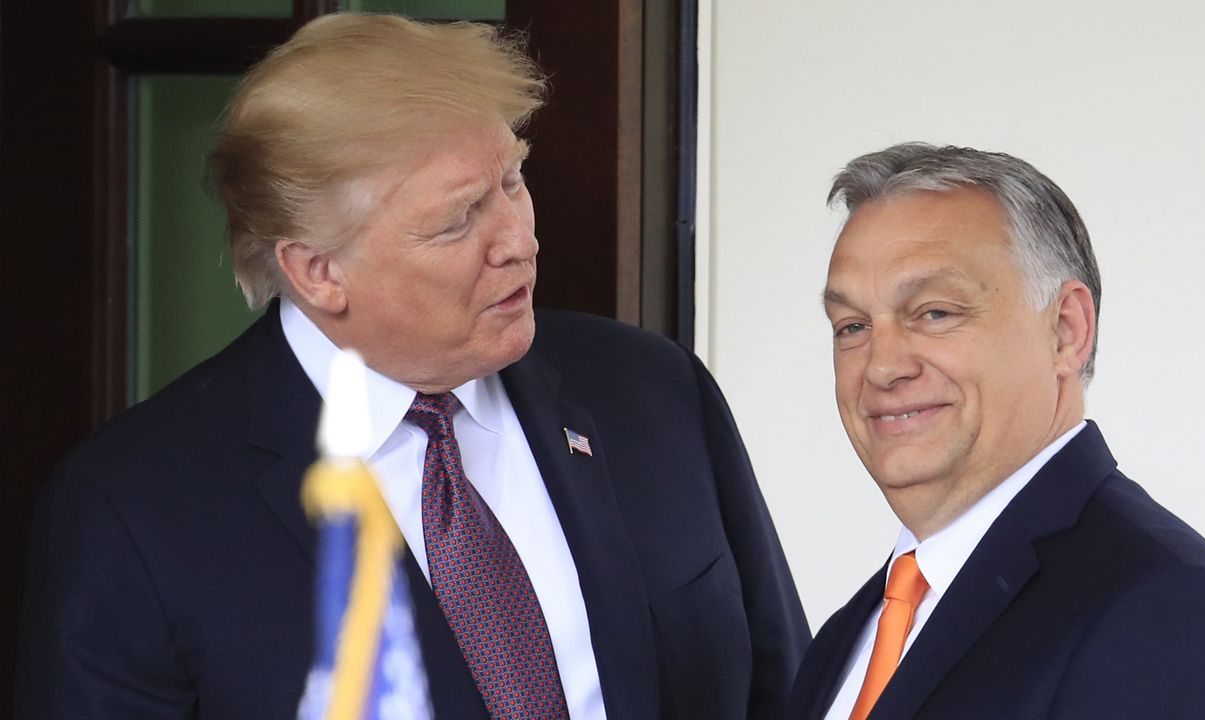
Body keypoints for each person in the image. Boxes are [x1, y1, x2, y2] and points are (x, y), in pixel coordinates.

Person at [15, 14, 809, 720]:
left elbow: (787, 691)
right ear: (318, 271)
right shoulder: (131, 513)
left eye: (512, 181)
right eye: (458, 219)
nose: (519, 239)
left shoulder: (651, 389)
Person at [787, 143, 1205, 720]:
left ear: (1067, 332)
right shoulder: (845, 638)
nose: (881, 365)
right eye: (852, 326)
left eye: (935, 313)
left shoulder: (1167, 612)